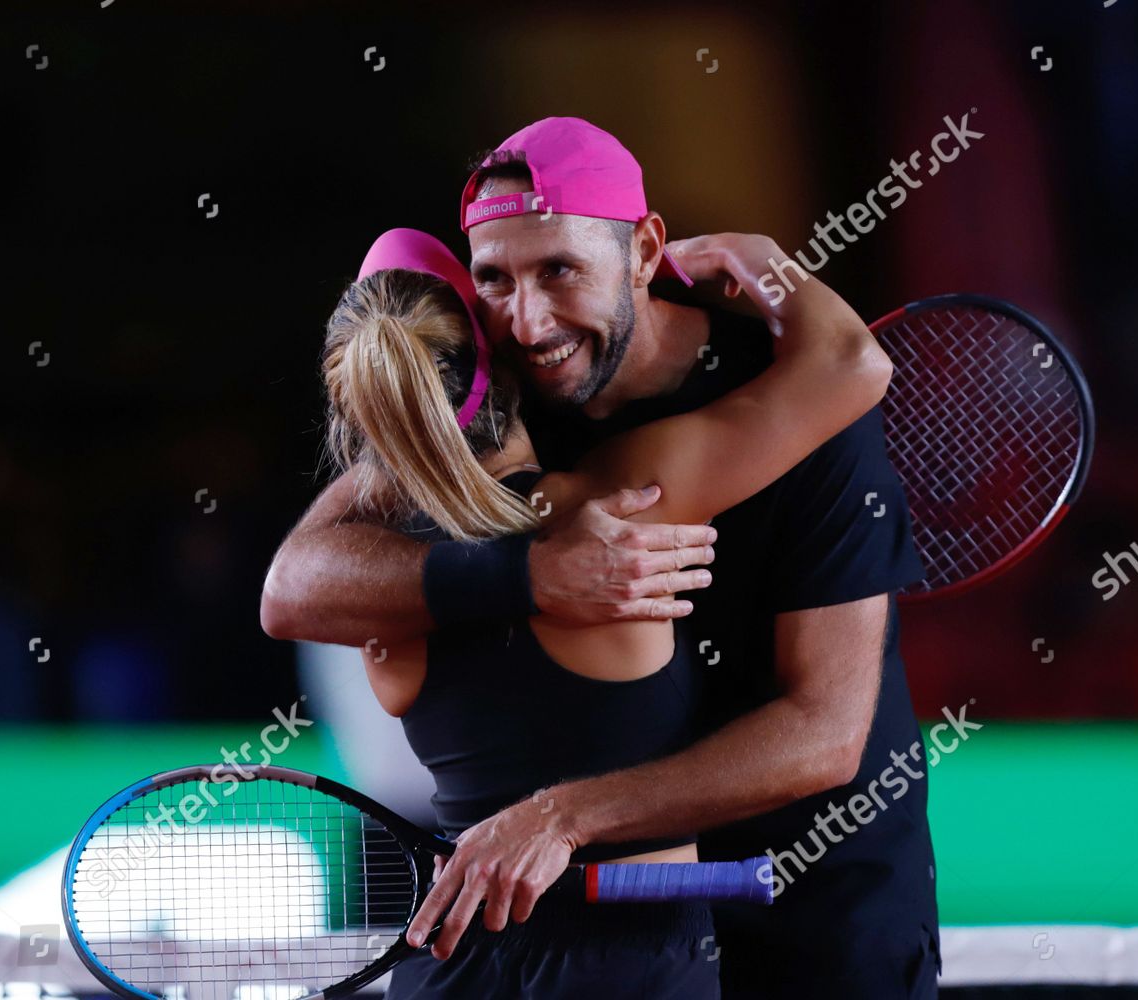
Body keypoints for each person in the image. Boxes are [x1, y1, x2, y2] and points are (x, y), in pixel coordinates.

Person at [264, 115, 938, 997]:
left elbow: (822, 737)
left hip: (813, 907)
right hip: (608, 908)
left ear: (646, 249)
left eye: (561, 271)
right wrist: (533, 574)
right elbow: (294, 584)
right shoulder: (501, 388)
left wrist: (560, 818)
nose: (529, 317)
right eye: (495, 279)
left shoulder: (792, 401)